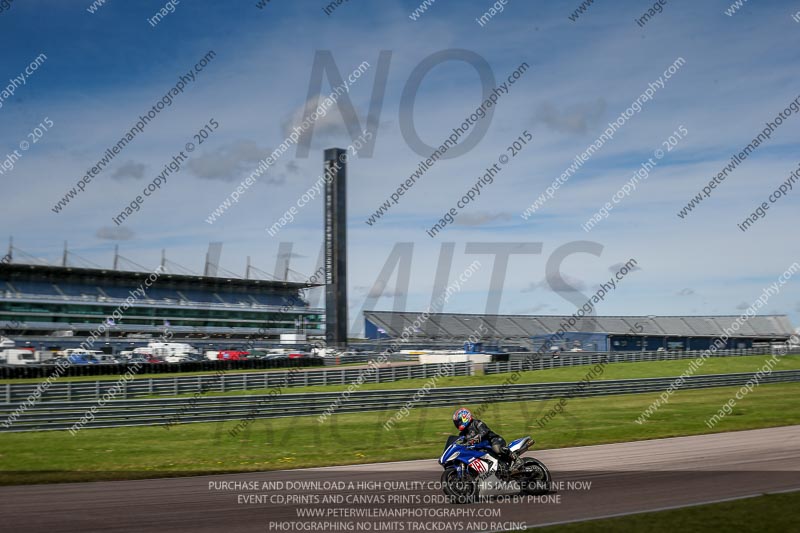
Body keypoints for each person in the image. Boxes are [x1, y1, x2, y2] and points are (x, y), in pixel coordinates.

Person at [452, 407, 522, 473]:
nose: (457, 424)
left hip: (493, 440)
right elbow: (461, 443)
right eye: (456, 423)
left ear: (465, 418)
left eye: (458, 422)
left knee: (496, 448)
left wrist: (475, 438)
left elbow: (484, 431)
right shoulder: (462, 433)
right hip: (480, 448)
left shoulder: (476, 423)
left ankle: (517, 460)